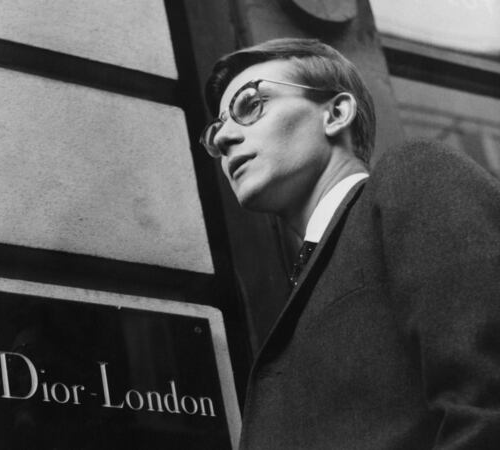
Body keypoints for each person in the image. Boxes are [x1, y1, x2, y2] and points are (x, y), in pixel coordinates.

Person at [201, 38, 500, 448]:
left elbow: (486, 404)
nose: (222, 139)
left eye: (250, 105)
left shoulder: (415, 176)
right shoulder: (302, 288)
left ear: (336, 113)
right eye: (216, 129)